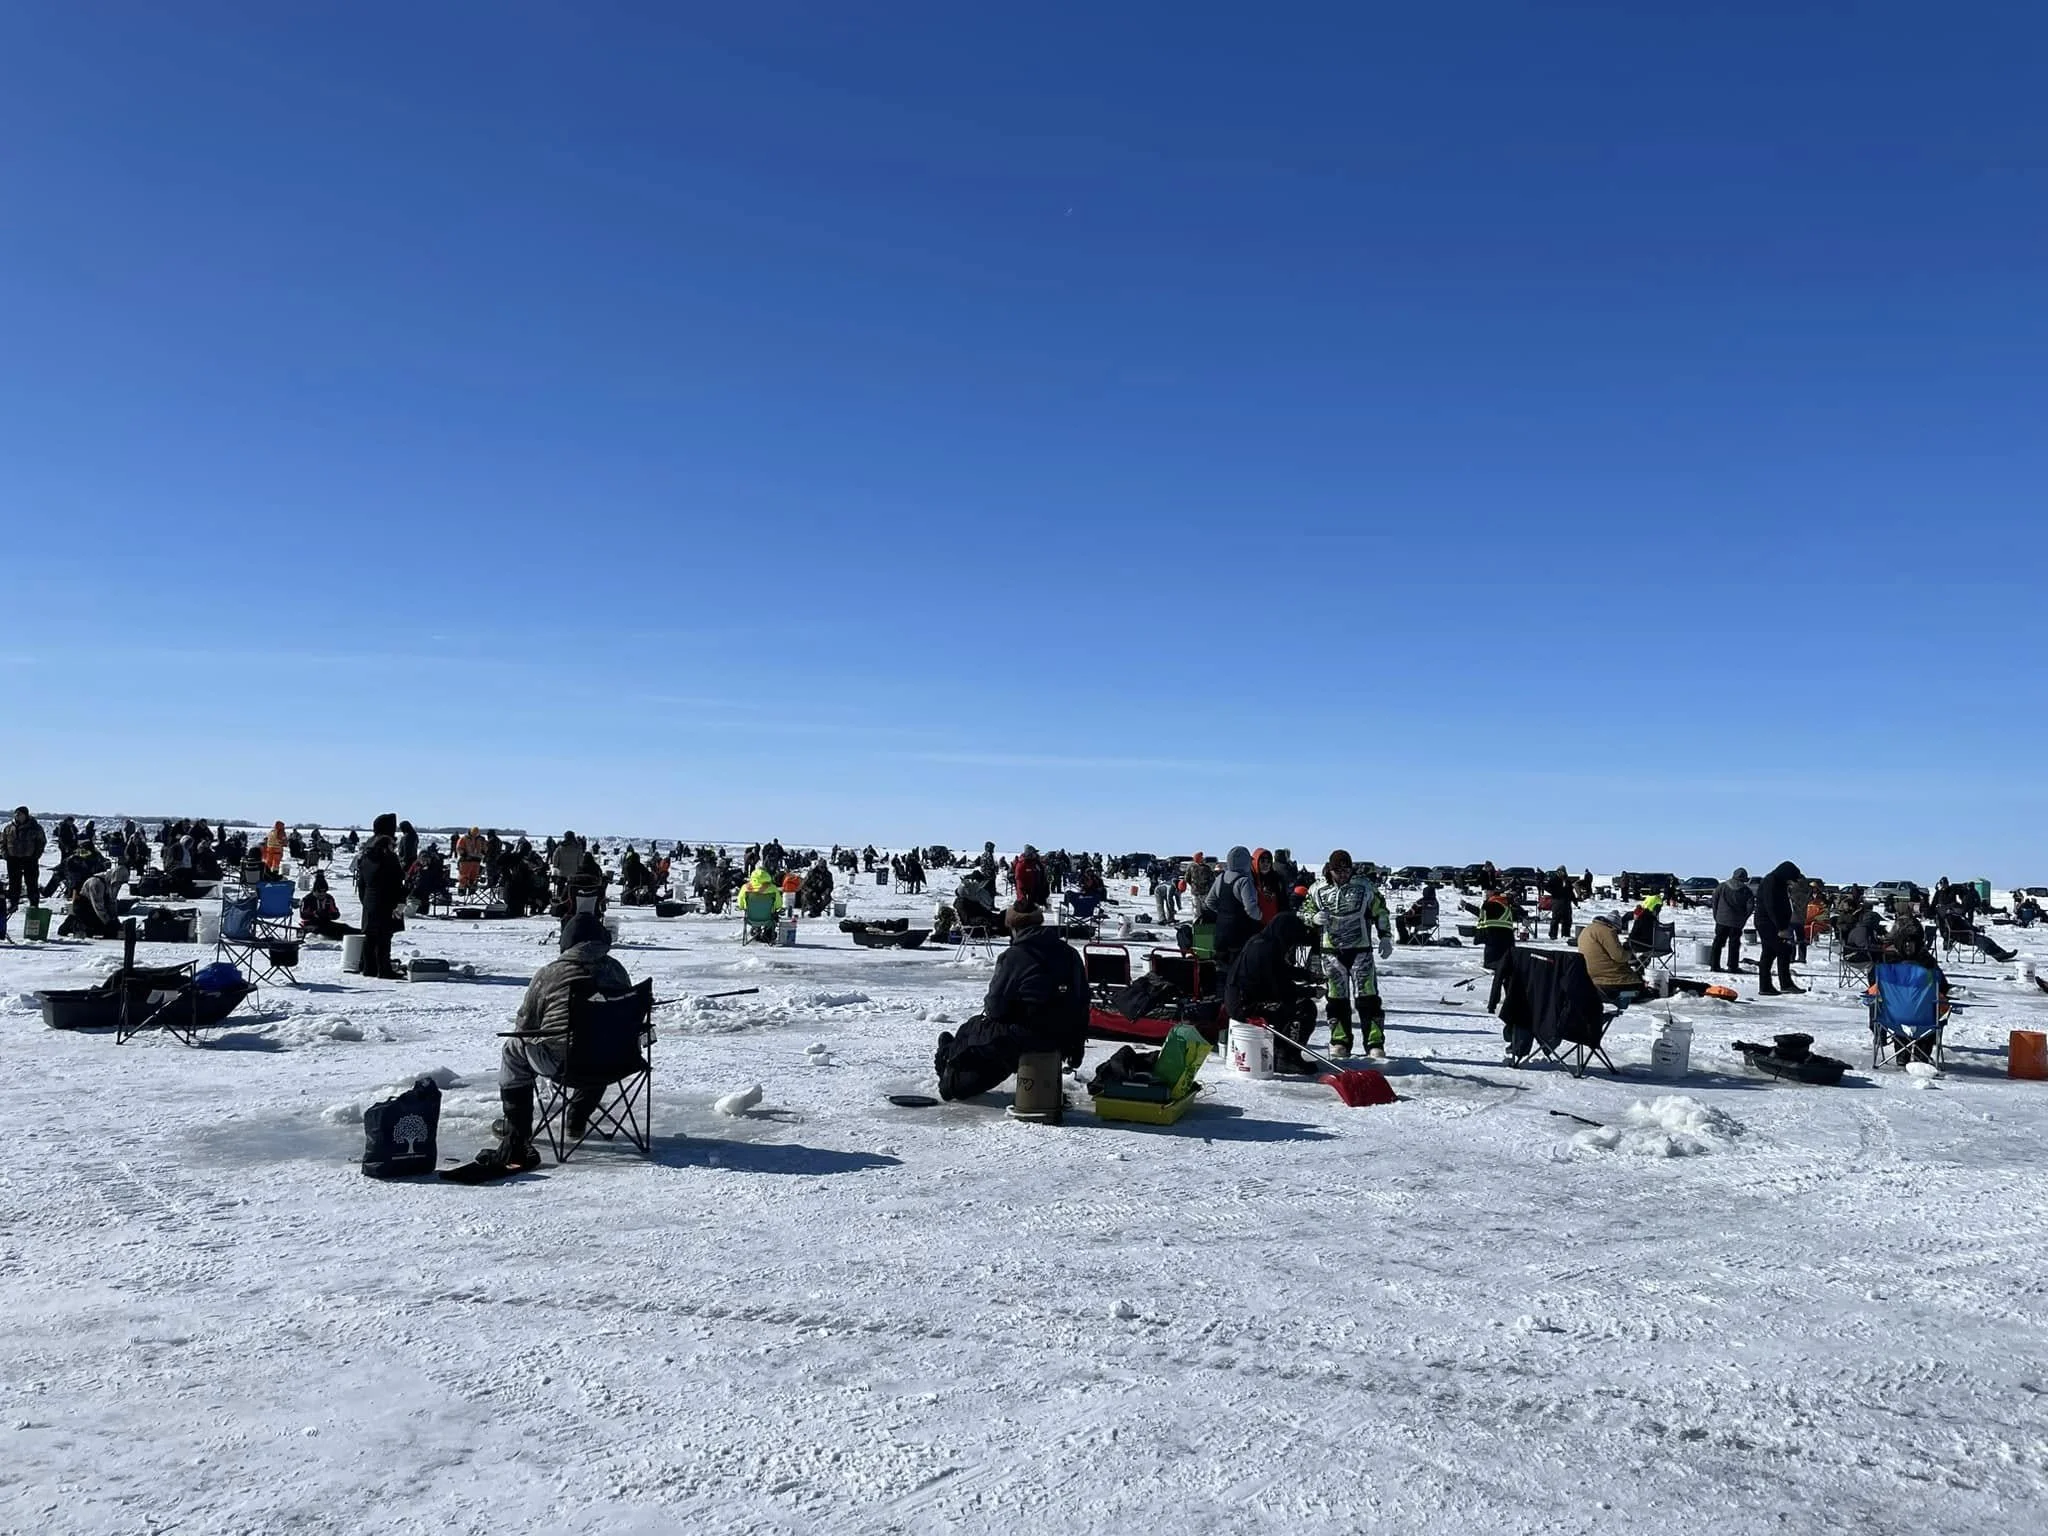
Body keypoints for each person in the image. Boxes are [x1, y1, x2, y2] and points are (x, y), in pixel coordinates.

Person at [468, 913, 637, 1174]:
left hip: (565, 1064)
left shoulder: (550, 974)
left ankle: (517, 1132)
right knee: (602, 1040)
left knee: (513, 1049)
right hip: (618, 1061)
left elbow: (525, 1025)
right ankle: (578, 1115)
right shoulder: (617, 970)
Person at [933, 901, 1089, 1099]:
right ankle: (952, 1061)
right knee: (993, 1041)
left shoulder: (1015, 956)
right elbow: (1083, 1000)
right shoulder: (1070, 953)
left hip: (1025, 1036)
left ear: (1013, 928)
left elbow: (995, 1008)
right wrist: (1076, 1043)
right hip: (1064, 1036)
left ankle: (949, 1062)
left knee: (973, 1030)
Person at [1301, 851, 1394, 1059]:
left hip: (1360, 950)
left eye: (1346, 870)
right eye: (1338, 870)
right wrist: (1313, 918)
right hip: (1331, 952)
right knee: (1336, 999)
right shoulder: (1317, 889)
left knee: (1368, 997)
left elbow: (1380, 910)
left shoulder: (1364, 886)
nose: (1343, 874)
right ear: (1330, 869)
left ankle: (1374, 1042)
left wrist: (1385, 936)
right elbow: (1303, 912)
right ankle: (1339, 1041)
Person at [1223, 909, 1318, 1073]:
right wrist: (1310, 992)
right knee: (1304, 1008)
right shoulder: (1266, 949)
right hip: (1245, 1006)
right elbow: (1280, 988)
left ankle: (1281, 1050)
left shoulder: (1262, 942)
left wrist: (1307, 975)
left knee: (1290, 1004)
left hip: (1244, 1000)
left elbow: (1280, 970)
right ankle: (1286, 1056)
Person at [354, 813, 407, 980]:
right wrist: (400, 901)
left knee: (370, 935)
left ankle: (369, 967)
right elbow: (396, 881)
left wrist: (364, 900)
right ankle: (384, 969)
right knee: (384, 935)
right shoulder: (388, 857)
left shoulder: (366, 854)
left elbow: (361, 882)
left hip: (369, 898)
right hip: (387, 899)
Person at [1202, 846, 1265, 967]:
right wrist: (1260, 917)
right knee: (1239, 967)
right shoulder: (1244, 881)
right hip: (1239, 933)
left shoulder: (1220, 878)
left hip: (1220, 931)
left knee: (1221, 967)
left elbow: (1209, 902)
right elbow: (1250, 908)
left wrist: (1222, 913)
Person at [1577, 912, 1655, 1006]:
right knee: (1638, 985)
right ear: (1614, 925)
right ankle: (1625, 995)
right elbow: (1619, 956)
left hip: (1591, 975)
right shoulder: (1607, 931)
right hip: (1610, 978)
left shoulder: (1588, 929)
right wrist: (1629, 953)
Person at [1752, 861, 1806, 995]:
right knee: (1783, 950)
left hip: (1773, 923)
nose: (1790, 882)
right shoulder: (1771, 882)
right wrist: (1781, 927)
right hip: (1768, 923)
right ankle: (1783, 984)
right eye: (1790, 879)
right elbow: (1771, 906)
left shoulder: (1778, 882)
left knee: (1769, 953)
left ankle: (1767, 986)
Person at [2, 806, 46, 923]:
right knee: (14, 882)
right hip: (13, 859)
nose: (18, 816)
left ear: (26, 815)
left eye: (20, 814)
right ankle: (13, 903)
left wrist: (35, 855)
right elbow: (3, 842)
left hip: (29, 859)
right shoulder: (9, 828)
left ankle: (34, 904)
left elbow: (41, 842)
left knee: (31, 882)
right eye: (16, 814)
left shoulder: (35, 827)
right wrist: (5, 854)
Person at [58, 863, 127, 939]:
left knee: (105, 930)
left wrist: (114, 919)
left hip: (96, 909)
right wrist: (108, 922)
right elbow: (98, 906)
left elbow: (112, 902)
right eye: (119, 882)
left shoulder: (112, 884)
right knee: (97, 929)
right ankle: (72, 923)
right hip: (84, 907)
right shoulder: (96, 883)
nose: (119, 885)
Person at [1711, 868, 1754, 972]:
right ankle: (1732, 966)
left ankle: (1714, 965)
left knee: (1718, 943)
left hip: (1721, 920)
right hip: (1737, 922)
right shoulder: (1746, 891)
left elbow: (1714, 901)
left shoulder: (1722, 886)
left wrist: (1716, 915)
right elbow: (1750, 907)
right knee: (1734, 944)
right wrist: (1744, 918)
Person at [298, 871, 359, 938]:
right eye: (319, 891)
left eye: (324, 891)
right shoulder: (307, 899)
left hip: (325, 923)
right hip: (311, 924)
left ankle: (362, 933)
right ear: (314, 891)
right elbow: (303, 915)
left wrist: (329, 915)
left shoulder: (329, 898)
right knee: (330, 931)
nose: (322, 894)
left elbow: (336, 914)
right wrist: (315, 914)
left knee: (344, 928)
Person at [1543, 867, 1575, 941]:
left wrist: (1574, 900)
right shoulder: (1554, 879)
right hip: (1557, 901)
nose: (1563, 873)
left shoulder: (1567, 880)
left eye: (1564, 871)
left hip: (1566, 902)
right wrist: (1554, 892)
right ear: (1558, 872)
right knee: (1556, 918)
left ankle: (1565, 935)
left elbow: (1571, 892)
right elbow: (1546, 887)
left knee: (1567, 919)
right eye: (1561, 871)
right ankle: (1553, 935)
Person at [455, 827, 487, 895]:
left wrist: (484, 852)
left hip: (476, 860)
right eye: (474, 833)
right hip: (466, 860)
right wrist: (463, 854)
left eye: (476, 834)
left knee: (474, 876)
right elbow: (459, 847)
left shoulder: (481, 839)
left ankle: (472, 890)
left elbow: (484, 848)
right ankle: (461, 890)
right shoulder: (464, 838)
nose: (475, 835)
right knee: (463, 876)